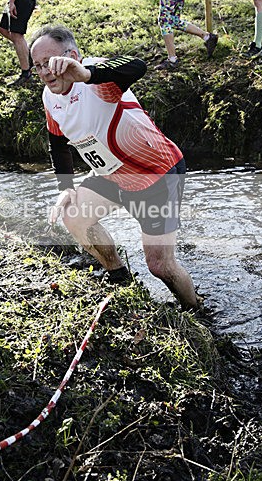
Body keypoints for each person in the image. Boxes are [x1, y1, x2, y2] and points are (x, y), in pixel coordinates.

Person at [30, 24, 198, 310]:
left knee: (160, 266)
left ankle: (196, 310)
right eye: (38, 66)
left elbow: (137, 66)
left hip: (156, 175)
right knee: (73, 216)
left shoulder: (98, 78)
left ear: (73, 55)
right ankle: (120, 278)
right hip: (113, 176)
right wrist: (66, 187)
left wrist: (86, 74)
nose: (45, 72)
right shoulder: (50, 97)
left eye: (50, 63)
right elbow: (57, 142)